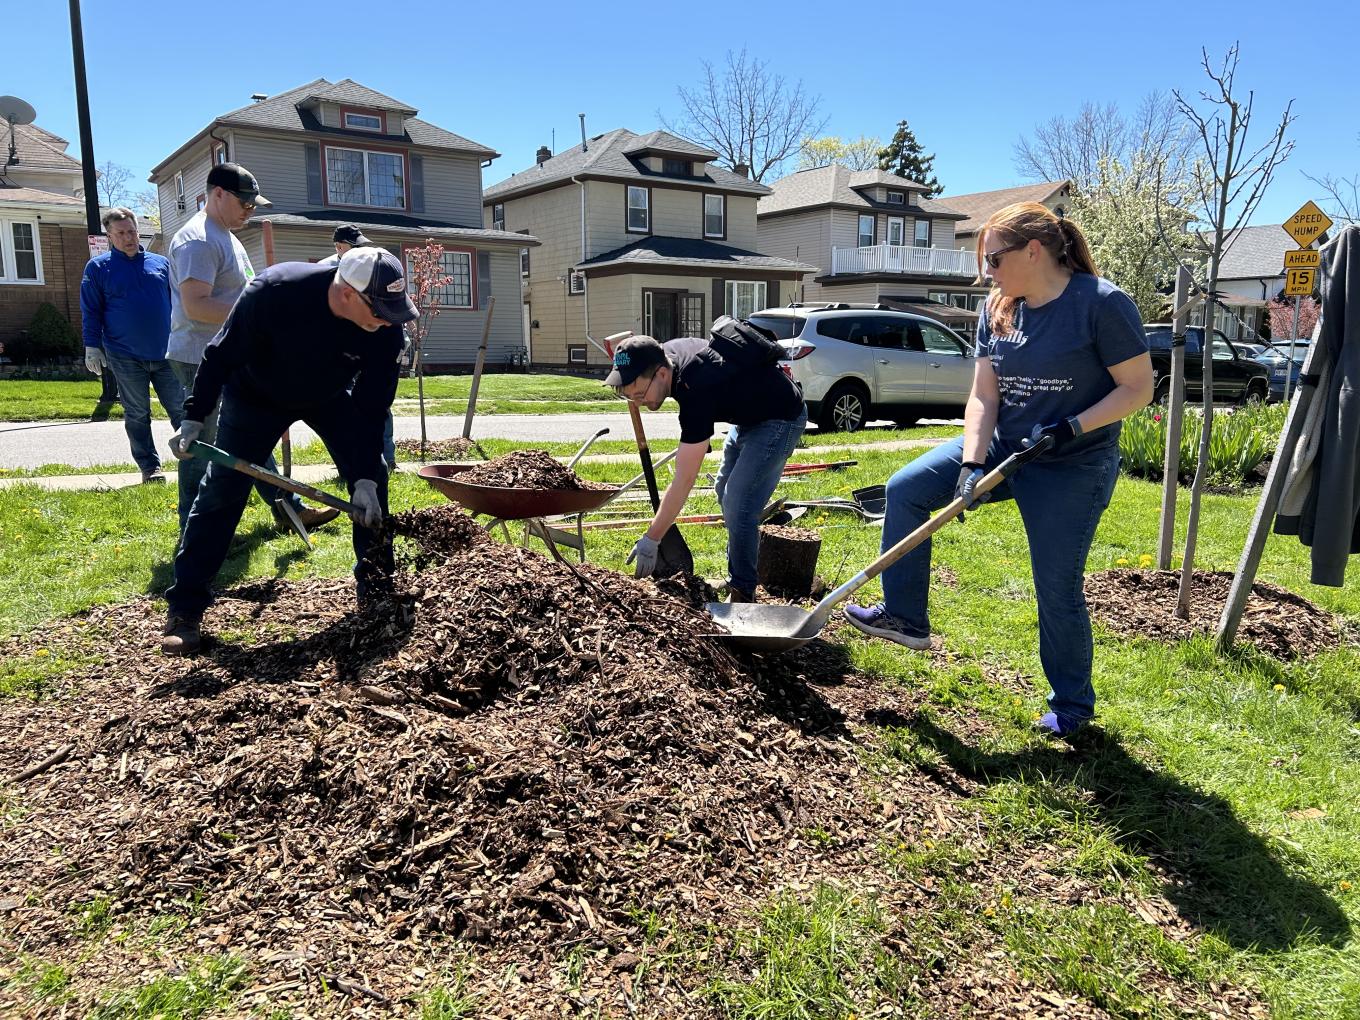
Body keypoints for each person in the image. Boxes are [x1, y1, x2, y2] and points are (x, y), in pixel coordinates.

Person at [842, 202, 1154, 738]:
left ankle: (1073, 708)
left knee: (1055, 585)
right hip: (1006, 446)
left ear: (1033, 251)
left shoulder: (1101, 304)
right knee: (906, 490)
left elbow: (1138, 389)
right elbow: (984, 394)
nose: (986, 272)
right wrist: (971, 461)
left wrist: (1072, 427)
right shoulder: (999, 306)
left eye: (992, 259)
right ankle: (906, 617)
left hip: (1072, 465)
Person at [160, 247, 418, 655]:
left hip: (329, 396)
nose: (390, 319)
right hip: (255, 396)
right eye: (381, 309)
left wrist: (365, 475)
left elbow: (372, 407)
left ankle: (377, 593)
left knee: (374, 486)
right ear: (348, 292)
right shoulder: (275, 292)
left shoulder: (387, 330)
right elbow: (220, 355)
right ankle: (185, 608)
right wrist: (194, 417)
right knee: (222, 492)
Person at [166, 162, 338, 533]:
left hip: (229, 353)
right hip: (201, 358)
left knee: (250, 434)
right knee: (202, 447)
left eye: (254, 205)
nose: (251, 210)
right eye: (245, 203)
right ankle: (192, 531)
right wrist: (262, 316)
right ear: (218, 194)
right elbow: (196, 305)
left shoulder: (224, 234)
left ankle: (287, 509)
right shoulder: (199, 239)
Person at [606, 325, 807, 601]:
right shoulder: (664, 356)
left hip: (780, 418)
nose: (638, 403)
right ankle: (737, 573)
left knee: (739, 505)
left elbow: (685, 478)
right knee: (723, 490)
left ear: (662, 374)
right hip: (748, 416)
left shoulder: (694, 386)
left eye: (640, 395)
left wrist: (652, 537)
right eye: (632, 397)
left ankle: (743, 591)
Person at [80, 207, 184, 483]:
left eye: (132, 231)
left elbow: (179, 304)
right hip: (124, 354)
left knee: (181, 409)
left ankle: (196, 461)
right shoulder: (99, 268)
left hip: (166, 352)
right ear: (110, 235)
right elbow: (91, 310)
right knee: (138, 414)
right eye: (121, 233)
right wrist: (92, 346)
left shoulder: (161, 264)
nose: (129, 237)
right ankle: (150, 468)